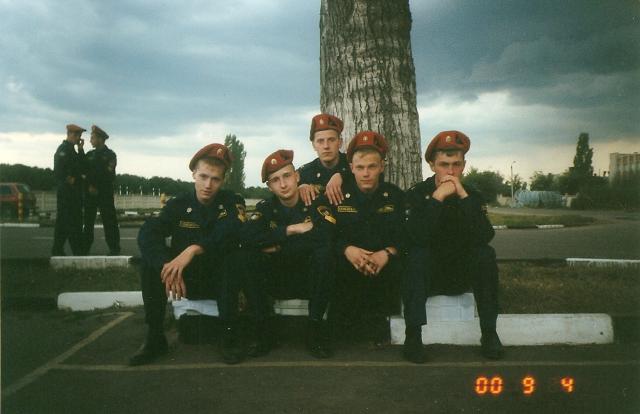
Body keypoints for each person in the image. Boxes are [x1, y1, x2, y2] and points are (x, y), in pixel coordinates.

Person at [131, 143, 247, 366]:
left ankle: (229, 335)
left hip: (220, 281)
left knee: (233, 258)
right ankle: (155, 337)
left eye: (215, 179)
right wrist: (166, 266)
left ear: (223, 180)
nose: (208, 185)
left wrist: (193, 249)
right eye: (203, 176)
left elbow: (232, 231)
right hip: (184, 281)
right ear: (193, 173)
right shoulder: (178, 204)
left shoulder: (232, 201)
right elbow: (149, 232)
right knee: (149, 263)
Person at [402, 130, 504, 363]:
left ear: (464, 165)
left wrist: (463, 196)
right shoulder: (418, 194)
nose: (450, 171)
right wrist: (437, 198)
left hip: (461, 272)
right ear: (432, 165)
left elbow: (485, 236)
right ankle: (413, 337)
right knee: (416, 255)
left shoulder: (472, 195)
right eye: (444, 164)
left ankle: (489, 333)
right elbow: (416, 237)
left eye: (456, 164)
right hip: (430, 274)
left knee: (485, 254)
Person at [240, 150, 334, 358]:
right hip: (278, 278)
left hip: (308, 277)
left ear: (297, 176)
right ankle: (264, 331)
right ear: (270, 187)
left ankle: (314, 331)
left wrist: (278, 246)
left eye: (287, 176)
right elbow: (247, 238)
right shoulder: (266, 208)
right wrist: (290, 230)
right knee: (247, 256)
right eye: (275, 180)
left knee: (324, 254)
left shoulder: (315, 203)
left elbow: (325, 236)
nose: (283, 184)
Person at [314, 131, 404, 346]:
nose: (366, 173)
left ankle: (381, 322)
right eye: (360, 167)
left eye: (372, 167)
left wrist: (388, 253)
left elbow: (407, 234)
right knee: (327, 258)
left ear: (381, 167)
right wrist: (346, 249)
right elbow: (323, 233)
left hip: (382, 267)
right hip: (347, 267)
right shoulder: (336, 196)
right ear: (351, 168)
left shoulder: (395, 196)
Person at [298, 114, 353, 206]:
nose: (326, 146)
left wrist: (343, 175)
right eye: (320, 141)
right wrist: (299, 188)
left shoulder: (354, 165)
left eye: (331, 140)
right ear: (313, 145)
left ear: (340, 142)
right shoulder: (305, 173)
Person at [82, 125, 120, 255]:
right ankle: (85, 248)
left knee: (109, 221)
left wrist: (94, 184)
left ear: (100, 139)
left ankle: (114, 248)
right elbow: (83, 171)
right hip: (90, 193)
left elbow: (108, 174)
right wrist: (90, 185)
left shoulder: (110, 155)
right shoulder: (89, 155)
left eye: (92, 138)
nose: (90, 140)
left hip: (104, 193)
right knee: (88, 222)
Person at [51, 124, 86, 256]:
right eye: (77, 135)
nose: (79, 138)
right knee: (65, 221)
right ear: (70, 134)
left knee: (75, 221)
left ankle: (76, 251)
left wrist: (81, 150)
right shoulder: (63, 149)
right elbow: (58, 170)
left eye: (80, 136)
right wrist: (69, 179)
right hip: (66, 192)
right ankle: (59, 250)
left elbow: (82, 166)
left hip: (74, 192)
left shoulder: (73, 151)